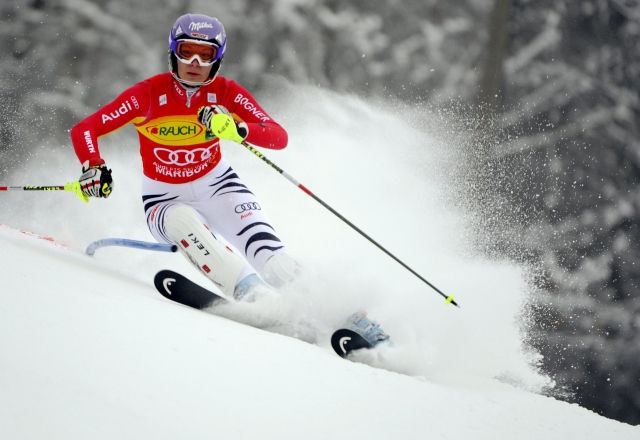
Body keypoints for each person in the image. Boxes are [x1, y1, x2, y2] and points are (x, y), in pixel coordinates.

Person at [70, 13, 388, 351]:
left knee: (271, 256)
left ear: (217, 60)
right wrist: (94, 166)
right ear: (172, 53)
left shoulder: (226, 93)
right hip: (164, 198)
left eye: (205, 55)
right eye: (186, 51)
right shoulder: (148, 95)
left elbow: (277, 137)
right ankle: (255, 296)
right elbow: (85, 130)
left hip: (219, 186)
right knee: (182, 221)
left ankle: (353, 320)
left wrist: (238, 130)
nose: (194, 62)